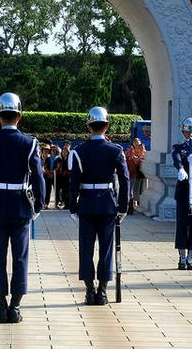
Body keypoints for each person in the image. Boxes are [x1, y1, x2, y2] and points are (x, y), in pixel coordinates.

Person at [0, 93, 45, 323]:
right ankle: (15, 307)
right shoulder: (30, 143)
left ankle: (0, 306)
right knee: (20, 257)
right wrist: (38, 205)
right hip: (20, 205)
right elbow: (38, 177)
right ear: (20, 116)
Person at [69, 107, 130, 305]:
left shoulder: (78, 151)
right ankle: (102, 291)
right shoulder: (116, 150)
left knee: (86, 249)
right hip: (107, 203)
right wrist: (123, 206)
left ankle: (89, 290)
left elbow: (74, 182)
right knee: (106, 249)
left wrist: (72, 206)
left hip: (86, 203)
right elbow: (125, 180)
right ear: (107, 126)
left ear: (88, 127)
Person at [172, 117, 192, 270]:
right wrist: (181, 168)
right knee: (182, 224)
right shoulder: (178, 148)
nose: (191, 135)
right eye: (188, 132)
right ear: (183, 133)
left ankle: (190, 257)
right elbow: (176, 158)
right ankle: (182, 257)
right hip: (183, 191)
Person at [125, 138, 146, 214]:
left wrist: (138, 158)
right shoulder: (130, 150)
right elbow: (130, 158)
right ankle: (131, 208)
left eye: (138, 141)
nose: (136, 143)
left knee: (138, 190)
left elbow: (142, 158)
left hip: (140, 174)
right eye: (135, 141)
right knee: (131, 190)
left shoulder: (142, 149)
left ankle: (135, 205)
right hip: (132, 172)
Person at [57, 142, 71, 209]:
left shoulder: (71, 154)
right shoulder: (60, 155)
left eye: (67, 145)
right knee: (61, 190)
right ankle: (62, 202)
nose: (66, 146)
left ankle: (67, 204)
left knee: (67, 190)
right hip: (61, 176)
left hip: (68, 176)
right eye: (65, 145)